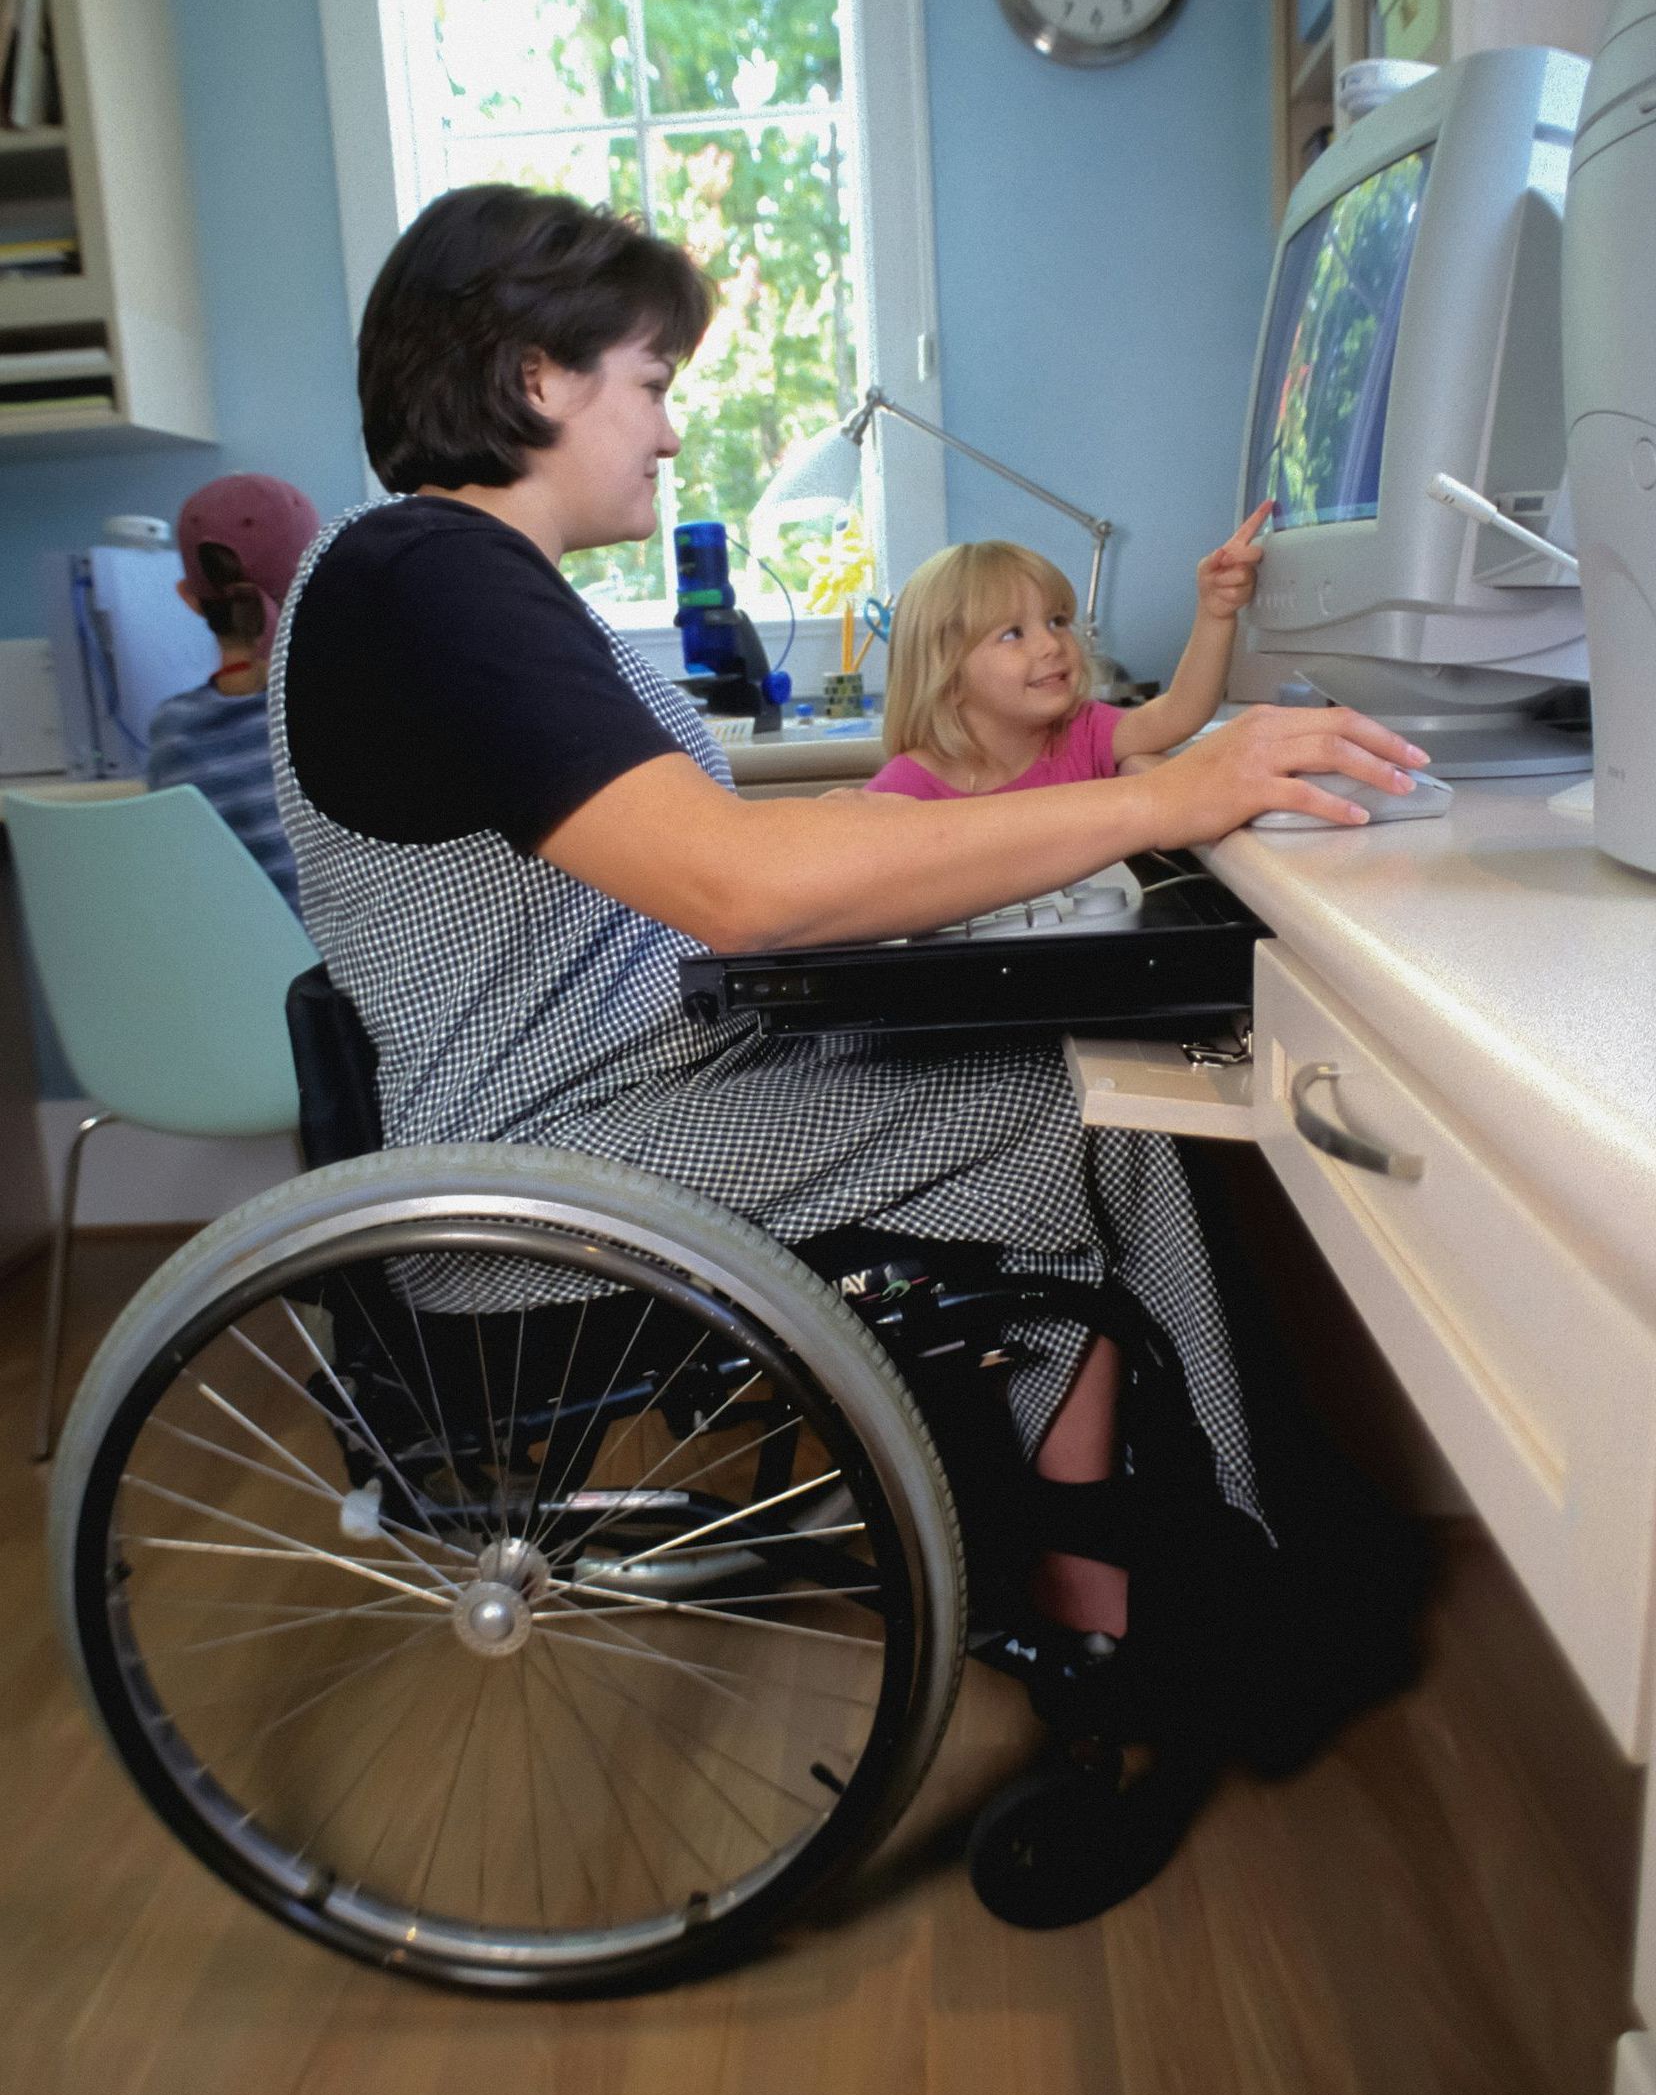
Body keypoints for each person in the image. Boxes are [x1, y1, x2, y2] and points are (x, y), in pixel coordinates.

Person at [269, 186, 1427, 1915]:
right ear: (530, 379)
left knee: (1075, 1074)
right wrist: (1162, 793)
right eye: (649, 382)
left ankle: (1148, 1574)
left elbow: (681, 878)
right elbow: (732, 887)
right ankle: (1153, 1601)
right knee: (1070, 1093)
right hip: (556, 1165)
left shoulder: (456, 590)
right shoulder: (428, 579)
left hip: (625, 1101)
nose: (669, 428)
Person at [867, 514, 1273, 805]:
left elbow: (1182, 712)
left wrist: (1216, 613)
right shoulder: (907, 788)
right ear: (948, 677)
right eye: (1013, 633)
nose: (1051, 644)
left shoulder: (1083, 734)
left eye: (1057, 620)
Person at [147, 473, 319, 912]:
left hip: (240, 973)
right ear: (315, 579)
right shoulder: (353, 710)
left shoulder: (172, 732)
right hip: (354, 973)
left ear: (188, 597)